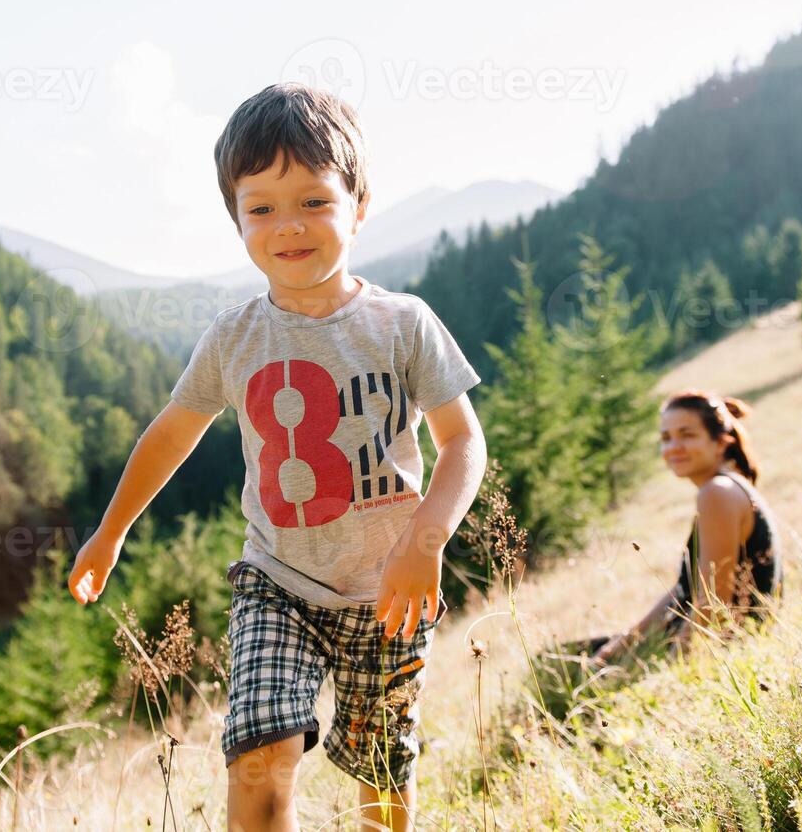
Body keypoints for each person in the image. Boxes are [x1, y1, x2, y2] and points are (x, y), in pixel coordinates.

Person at [66, 82, 487, 832]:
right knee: (258, 753)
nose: (286, 227)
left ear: (357, 206)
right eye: (260, 208)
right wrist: (112, 529)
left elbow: (462, 441)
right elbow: (171, 433)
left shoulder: (402, 325)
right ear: (236, 221)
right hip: (276, 585)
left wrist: (424, 544)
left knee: (382, 773)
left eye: (313, 202)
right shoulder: (234, 337)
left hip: (387, 596)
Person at [588, 391, 781, 669]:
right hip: (699, 638)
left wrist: (671, 672)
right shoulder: (725, 487)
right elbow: (684, 590)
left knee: (556, 667)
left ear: (719, 442)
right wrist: (618, 646)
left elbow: (713, 605)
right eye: (666, 438)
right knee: (573, 657)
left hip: (725, 652)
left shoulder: (717, 493)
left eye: (687, 435)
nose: (673, 447)